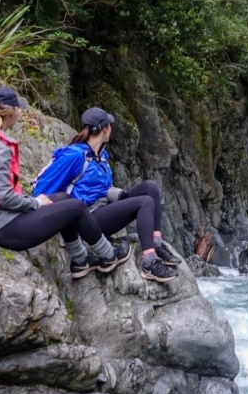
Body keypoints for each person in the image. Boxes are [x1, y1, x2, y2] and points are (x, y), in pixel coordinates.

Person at [0, 87, 132, 279]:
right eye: (18, 109)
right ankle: (109, 256)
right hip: (4, 227)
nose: (20, 113)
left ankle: (81, 260)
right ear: (10, 113)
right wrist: (36, 203)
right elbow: (4, 198)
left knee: (63, 198)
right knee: (77, 207)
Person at [32, 106, 182, 283]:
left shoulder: (101, 154)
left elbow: (100, 188)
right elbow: (40, 189)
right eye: (109, 125)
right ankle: (149, 262)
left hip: (102, 209)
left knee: (151, 187)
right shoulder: (75, 155)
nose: (111, 128)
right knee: (144, 202)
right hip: (86, 220)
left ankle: (156, 244)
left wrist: (117, 194)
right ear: (104, 129)